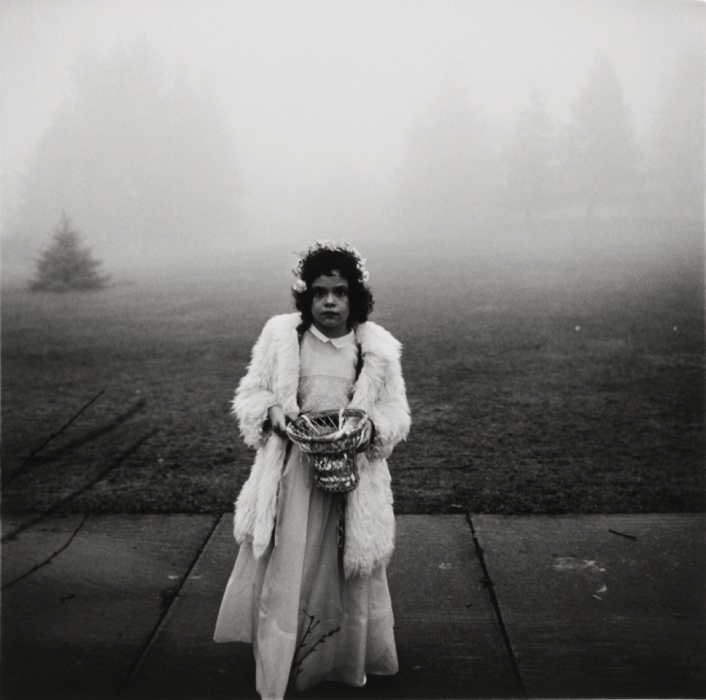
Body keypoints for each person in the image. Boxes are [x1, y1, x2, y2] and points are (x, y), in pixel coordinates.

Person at [214, 240, 411, 699]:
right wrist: (274, 414)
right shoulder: (283, 339)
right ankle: (287, 663)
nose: (329, 302)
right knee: (292, 565)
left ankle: (337, 661)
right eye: (320, 292)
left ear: (354, 297)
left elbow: (396, 413)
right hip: (293, 479)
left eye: (339, 292)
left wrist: (366, 430)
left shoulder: (374, 351)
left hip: (350, 481)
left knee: (343, 571)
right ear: (305, 297)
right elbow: (252, 393)